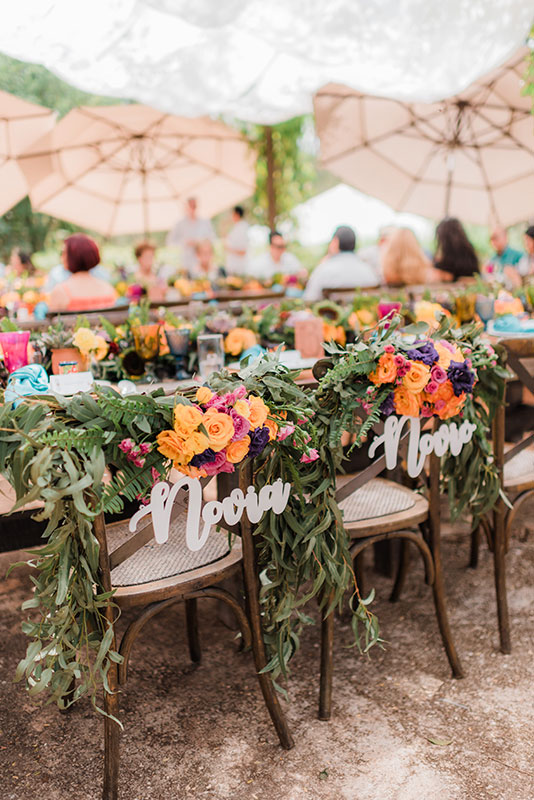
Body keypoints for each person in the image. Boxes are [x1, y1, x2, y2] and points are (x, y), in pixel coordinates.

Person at [303, 225, 379, 302]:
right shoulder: (368, 270)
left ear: (336, 242)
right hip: (363, 313)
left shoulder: (324, 269)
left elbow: (309, 298)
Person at [49, 234, 118, 312]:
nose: (62, 257)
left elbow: (52, 322)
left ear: (72, 257)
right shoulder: (108, 289)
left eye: (64, 253)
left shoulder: (61, 291)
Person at [166, 197, 215, 273]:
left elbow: (212, 238)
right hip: (186, 262)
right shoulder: (179, 224)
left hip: (203, 263)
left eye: (194, 206)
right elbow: (170, 242)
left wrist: (200, 242)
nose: (193, 209)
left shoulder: (205, 222)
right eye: (191, 206)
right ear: (186, 207)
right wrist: (184, 242)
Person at [224, 205, 249, 274]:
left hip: (238, 269)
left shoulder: (242, 228)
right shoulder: (237, 228)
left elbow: (243, 251)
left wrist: (229, 249)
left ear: (236, 214)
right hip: (234, 268)